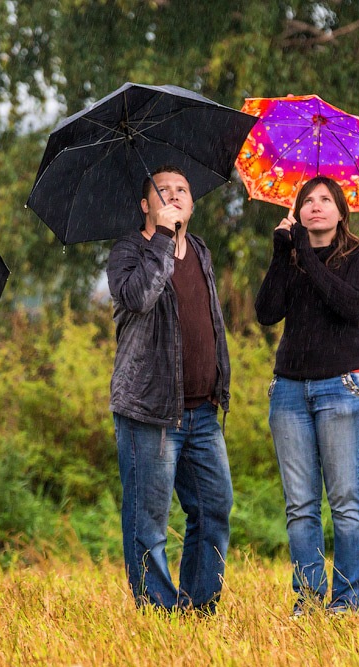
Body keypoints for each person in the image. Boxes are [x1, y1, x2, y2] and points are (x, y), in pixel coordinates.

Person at [106, 165, 234, 613]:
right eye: (164, 191)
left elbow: (210, 321)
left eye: (182, 190)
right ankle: (158, 610)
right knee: (149, 520)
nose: (175, 195)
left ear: (193, 202)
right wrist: (162, 236)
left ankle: (199, 608)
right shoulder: (128, 251)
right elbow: (140, 297)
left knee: (214, 510)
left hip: (202, 412)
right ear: (147, 205)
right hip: (149, 412)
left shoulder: (200, 249)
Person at [254, 176, 359, 615]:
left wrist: (304, 253)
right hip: (289, 389)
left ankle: (346, 604)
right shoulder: (290, 258)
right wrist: (279, 256)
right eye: (307, 200)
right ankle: (306, 603)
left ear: (342, 211)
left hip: (341, 387)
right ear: (298, 211)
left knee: (345, 501)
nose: (316, 207)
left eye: (326, 200)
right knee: (300, 507)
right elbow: (266, 313)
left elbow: (349, 305)